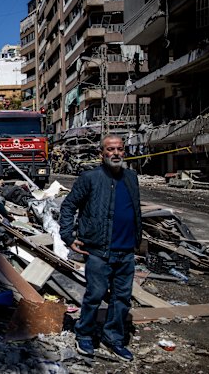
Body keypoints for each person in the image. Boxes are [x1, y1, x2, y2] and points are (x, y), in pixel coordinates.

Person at [59, 134, 142, 362]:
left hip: (126, 251)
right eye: (110, 149)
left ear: (124, 152)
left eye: (119, 149)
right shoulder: (90, 178)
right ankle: (84, 334)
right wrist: (68, 236)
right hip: (98, 250)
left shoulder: (131, 178)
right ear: (102, 153)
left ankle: (114, 338)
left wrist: (138, 238)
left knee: (122, 298)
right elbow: (68, 206)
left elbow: (135, 209)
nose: (115, 153)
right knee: (94, 295)